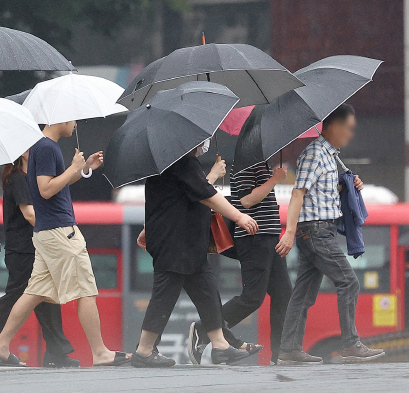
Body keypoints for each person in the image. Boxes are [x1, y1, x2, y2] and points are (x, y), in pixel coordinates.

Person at [0, 121, 129, 367]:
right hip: (60, 231)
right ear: (59, 118)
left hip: (47, 231)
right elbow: (45, 189)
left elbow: (55, 185)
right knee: (86, 289)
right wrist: (73, 166)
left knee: (35, 292)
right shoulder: (47, 147)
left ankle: (0, 345)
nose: (75, 124)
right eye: (72, 118)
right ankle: (100, 352)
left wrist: (83, 169)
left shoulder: (40, 147)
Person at [132, 141, 260, 368]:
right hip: (176, 242)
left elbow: (169, 200)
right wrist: (239, 217)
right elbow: (206, 194)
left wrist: (148, 228)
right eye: (203, 139)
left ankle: (220, 346)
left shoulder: (167, 160)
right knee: (165, 294)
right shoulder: (183, 160)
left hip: (186, 243)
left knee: (207, 290)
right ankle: (143, 351)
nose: (205, 143)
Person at [274, 104, 385, 364]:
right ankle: (350, 344)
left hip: (319, 231)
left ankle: (289, 349)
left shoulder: (330, 156)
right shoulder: (314, 154)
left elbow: (320, 194)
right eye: (347, 128)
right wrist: (289, 232)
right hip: (315, 232)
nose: (350, 134)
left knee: (303, 294)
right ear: (333, 126)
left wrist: (347, 185)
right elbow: (298, 193)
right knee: (349, 282)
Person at [0, 151, 79, 368]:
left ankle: (57, 352)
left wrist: (81, 168)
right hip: (24, 251)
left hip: (35, 248)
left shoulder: (28, 179)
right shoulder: (18, 179)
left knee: (48, 297)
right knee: (15, 297)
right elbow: (30, 215)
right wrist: (58, 232)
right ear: (22, 153)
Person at [189, 160, 292, 365]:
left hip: (270, 236)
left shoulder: (262, 164)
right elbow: (246, 201)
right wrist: (275, 180)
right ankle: (205, 328)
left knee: (284, 293)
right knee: (253, 297)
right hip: (254, 237)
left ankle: (280, 354)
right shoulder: (247, 163)